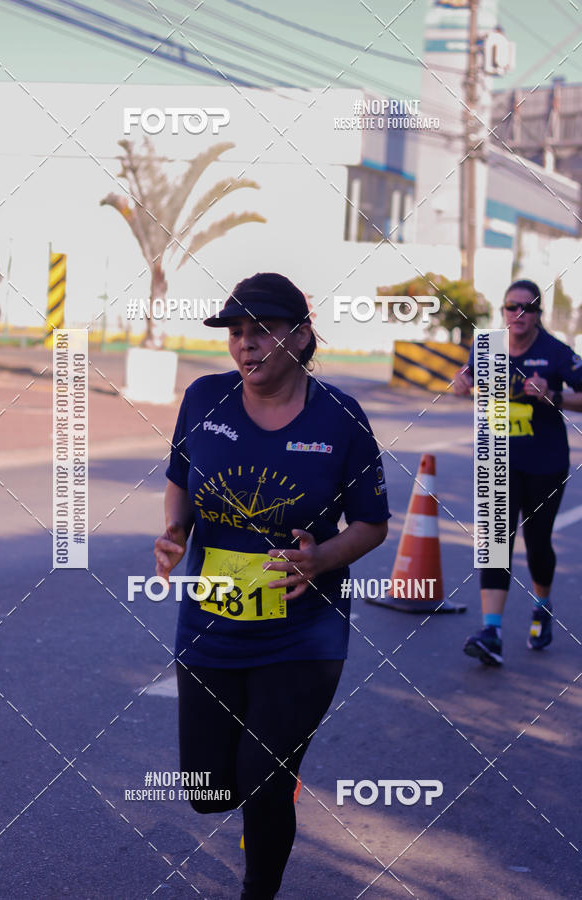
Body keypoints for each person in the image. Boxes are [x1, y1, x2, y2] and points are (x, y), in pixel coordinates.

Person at [154, 272, 390, 898]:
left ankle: (259, 885)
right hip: (210, 625)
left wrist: (322, 558)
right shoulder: (205, 398)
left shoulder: (341, 417)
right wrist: (174, 531)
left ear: (301, 336)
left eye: (262, 330)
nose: (246, 344)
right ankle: (266, 794)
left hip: (302, 634)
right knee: (208, 790)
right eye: (236, 332)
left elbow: (372, 523)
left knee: (264, 777)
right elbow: (180, 474)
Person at [454, 279, 582, 666]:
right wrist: (461, 383)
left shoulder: (555, 352)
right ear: (503, 311)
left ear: (538, 314)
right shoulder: (487, 347)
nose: (518, 314)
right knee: (495, 542)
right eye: (511, 306)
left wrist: (554, 395)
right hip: (496, 460)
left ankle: (542, 605)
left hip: (545, 464)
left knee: (537, 543)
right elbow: (465, 376)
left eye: (527, 308)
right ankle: (491, 632)